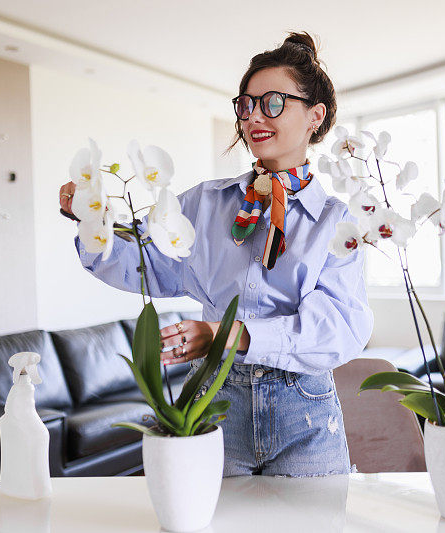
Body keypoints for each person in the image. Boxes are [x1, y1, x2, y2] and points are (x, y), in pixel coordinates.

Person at [58, 31, 374, 477]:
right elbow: (143, 269)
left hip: (304, 410)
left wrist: (228, 336)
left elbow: (337, 329)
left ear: (315, 116)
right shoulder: (202, 204)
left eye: (273, 102)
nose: (254, 117)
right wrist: (91, 222)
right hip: (211, 403)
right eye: (246, 105)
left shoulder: (338, 221)